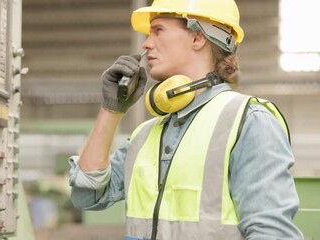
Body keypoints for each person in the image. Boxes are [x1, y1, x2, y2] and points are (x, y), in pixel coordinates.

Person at [68, 0, 304, 239]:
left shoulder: (249, 121)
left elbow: (272, 233)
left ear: (197, 37)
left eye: (158, 30)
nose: (147, 44)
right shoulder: (146, 134)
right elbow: (88, 196)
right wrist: (112, 109)